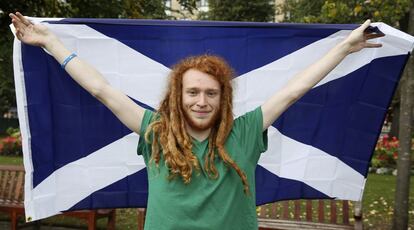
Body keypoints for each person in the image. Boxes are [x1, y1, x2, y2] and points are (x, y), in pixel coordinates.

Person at [10, 12, 383, 230]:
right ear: (178, 96)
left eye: (210, 93)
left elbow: (294, 89)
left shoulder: (247, 130)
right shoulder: (155, 131)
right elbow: (101, 89)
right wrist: (50, 42)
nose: (201, 101)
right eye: (192, 93)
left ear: (223, 98)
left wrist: (343, 48)